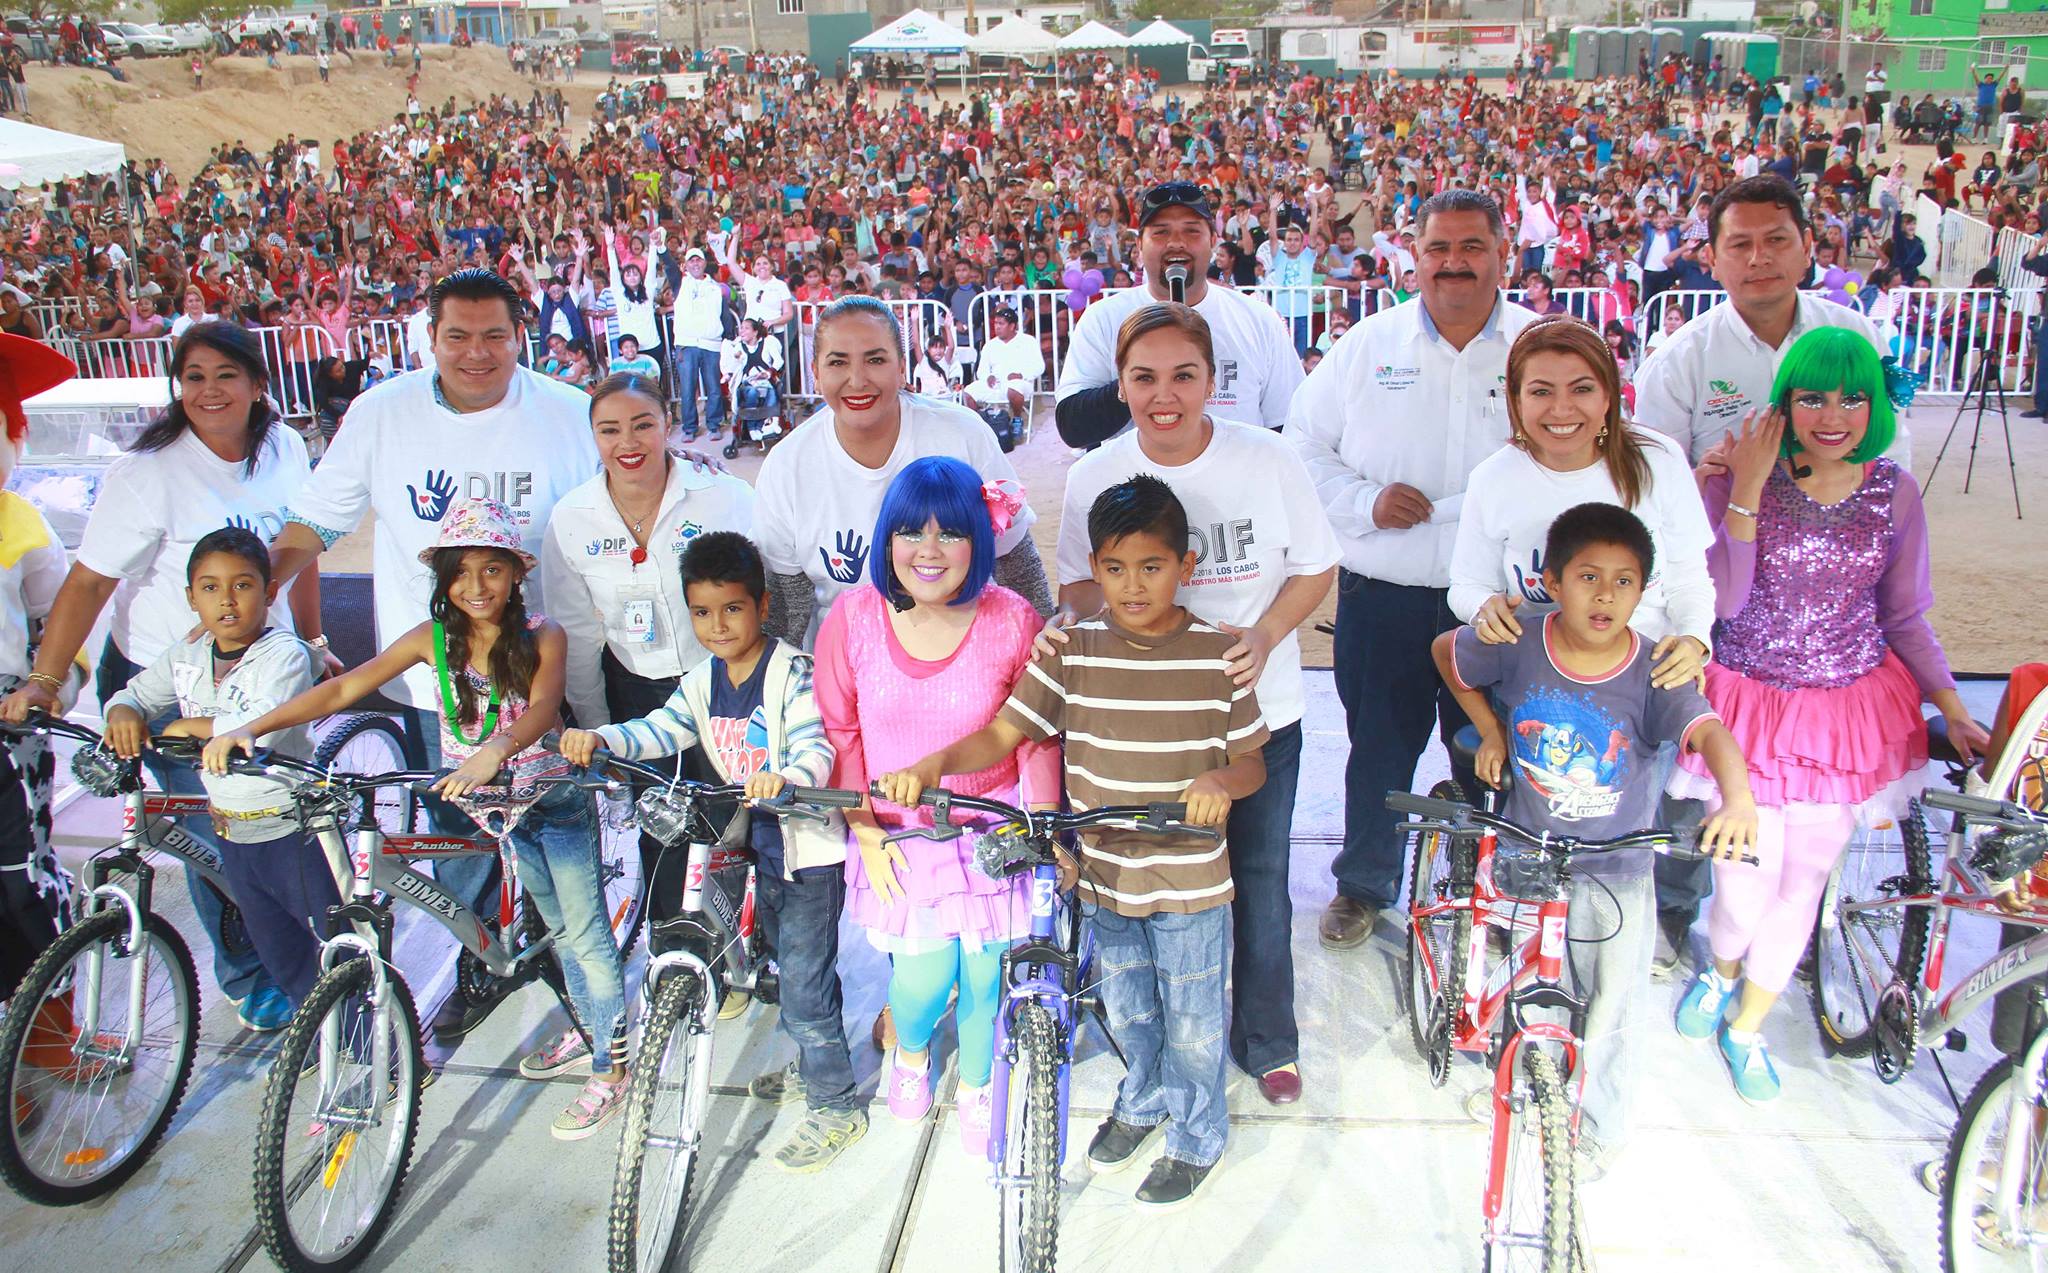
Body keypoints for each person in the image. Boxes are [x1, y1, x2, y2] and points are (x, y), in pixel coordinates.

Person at [878, 475, 1268, 1208]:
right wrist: (935, 765)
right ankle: (1143, 1098)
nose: (1132, 586)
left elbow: (1252, 759)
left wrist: (1222, 779)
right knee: (1129, 1008)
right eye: (1115, 568)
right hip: (1104, 877)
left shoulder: (1218, 655)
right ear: (1094, 568)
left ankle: (1196, 1133)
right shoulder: (1072, 651)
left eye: (1151, 567)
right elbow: (1005, 731)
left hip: (1190, 882)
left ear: (1186, 566)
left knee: (1192, 1022)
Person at [206, 498, 631, 1138]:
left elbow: (545, 708)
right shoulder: (430, 639)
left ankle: (611, 1067)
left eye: (492, 570)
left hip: (550, 800)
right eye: (461, 572)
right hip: (492, 807)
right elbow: (342, 689)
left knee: (584, 933)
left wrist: (495, 751)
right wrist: (252, 727)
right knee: (558, 928)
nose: (476, 586)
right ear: (443, 579)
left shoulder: (542, 634)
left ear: (517, 574)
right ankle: (593, 1028)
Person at [260, 268, 601, 1041]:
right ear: (430, 337)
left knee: (556, 830)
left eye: (494, 336)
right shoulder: (382, 413)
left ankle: (575, 967)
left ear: (520, 336)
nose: (477, 352)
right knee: (459, 835)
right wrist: (256, 593)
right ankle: (481, 963)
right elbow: (315, 524)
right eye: (458, 336)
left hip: (543, 673)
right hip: (440, 686)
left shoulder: (568, 412)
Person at [1667, 328, 1989, 1102]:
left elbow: (1904, 614)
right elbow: (1725, 603)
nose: (1832, 415)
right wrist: (1746, 488)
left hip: (1843, 720)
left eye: (1853, 398)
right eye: (1812, 397)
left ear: (1877, 405)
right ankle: (1721, 970)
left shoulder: (1893, 491)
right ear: (1785, 402)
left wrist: (1952, 704)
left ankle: (1749, 1025)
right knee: (1741, 884)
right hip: (1745, 711)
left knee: (1803, 885)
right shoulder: (1737, 476)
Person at [1044, 303, 1336, 1104]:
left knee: (1260, 878)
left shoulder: (1268, 458)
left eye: (1184, 375)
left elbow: (1317, 566)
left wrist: (1267, 633)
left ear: (1213, 379)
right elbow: (1079, 585)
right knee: (1134, 883)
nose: (1163, 395)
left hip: (1258, 714)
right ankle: (1145, 1035)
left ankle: (1267, 1038)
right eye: (1143, 377)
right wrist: (1069, 622)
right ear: (1121, 384)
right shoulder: (1093, 474)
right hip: (1139, 730)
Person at [1, 324, 327, 1033]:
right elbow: (88, 583)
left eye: (225, 375)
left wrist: (312, 638)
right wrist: (46, 679)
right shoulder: (146, 473)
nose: (209, 391)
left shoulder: (284, 447)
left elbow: (298, 550)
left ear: (258, 384)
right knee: (214, 834)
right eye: (193, 377)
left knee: (267, 821)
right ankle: (250, 976)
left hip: (259, 663)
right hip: (168, 676)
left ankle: (303, 956)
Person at [1435, 502, 1758, 1175]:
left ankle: (1601, 1127)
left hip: (1615, 869)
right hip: (1528, 850)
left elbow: (1710, 732)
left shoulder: (1654, 670)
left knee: (1611, 1005)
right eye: (1588, 577)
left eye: (1624, 581)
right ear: (1552, 582)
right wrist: (1492, 732)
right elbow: (1448, 653)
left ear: (1644, 590)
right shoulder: (1521, 638)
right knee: (1528, 982)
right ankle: (1527, 1082)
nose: (1606, 595)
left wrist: (1739, 798)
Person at [1629, 177, 1891, 955]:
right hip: (1715, 602)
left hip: (1825, 616)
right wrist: (1708, 477)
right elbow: (1647, 482)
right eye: (1739, 243)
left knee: (1815, 786)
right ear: (1712, 257)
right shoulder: (1683, 358)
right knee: (1692, 764)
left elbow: (1891, 471)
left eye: (1776, 239)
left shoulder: (1854, 340)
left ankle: (1792, 929)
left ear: (1810, 247)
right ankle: (1674, 907)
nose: (1758, 258)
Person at [561, 531, 861, 1173]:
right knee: (787, 966)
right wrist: (603, 738)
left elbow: (817, 743)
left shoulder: (792, 672)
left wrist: (788, 777)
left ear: (761, 606)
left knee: (804, 980)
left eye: (731, 609)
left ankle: (836, 1103)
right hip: (756, 845)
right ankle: (814, 1064)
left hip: (806, 851)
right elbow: (662, 729)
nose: (717, 626)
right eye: (702, 612)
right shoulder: (701, 680)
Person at [1287, 189, 1540, 950]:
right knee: (1380, 750)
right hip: (1384, 595)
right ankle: (1365, 885)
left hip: (1501, 607)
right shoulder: (1368, 345)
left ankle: (1495, 887)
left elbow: (1587, 451)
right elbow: (1303, 444)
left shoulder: (1540, 346)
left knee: (1495, 751)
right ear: (1414, 257)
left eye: (1472, 247)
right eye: (1439, 249)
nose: (1454, 263)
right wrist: (1366, 502)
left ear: (1504, 255)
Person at [813, 456, 1057, 1156]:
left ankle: (979, 1081)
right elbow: (841, 732)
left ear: (979, 538)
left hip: (993, 831)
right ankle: (913, 1052)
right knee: (922, 977)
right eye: (910, 532)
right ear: (886, 539)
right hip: (900, 836)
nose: (929, 550)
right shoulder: (853, 617)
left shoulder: (1014, 619)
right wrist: (864, 828)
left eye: (950, 532)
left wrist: (1043, 832)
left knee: (985, 977)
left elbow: (1035, 737)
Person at [102, 529, 330, 1007]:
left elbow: (259, 726)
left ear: (270, 592)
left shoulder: (284, 655)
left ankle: (366, 1035)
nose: (227, 599)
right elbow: (137, 694)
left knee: (333, 942)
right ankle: (316, 1028)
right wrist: (123, 710)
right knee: (279, 951)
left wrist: (190, 725)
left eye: (242, 585)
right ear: (191, 598)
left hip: (292, 827)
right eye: (210, 588)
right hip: (231, 827)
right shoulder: (187, 654)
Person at [754, 297, 1049, 652]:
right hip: (847, 666)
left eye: (876, 360)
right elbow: (787, 606)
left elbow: (1015, 563)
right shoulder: (787, 466)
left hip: (971, 658)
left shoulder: (964, 435)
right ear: (815, 373)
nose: (857, 380)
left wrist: (1044, 649)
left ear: (902, 368)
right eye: (838, 362)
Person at [1055, 182, 1302, 447]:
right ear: (1139, 245)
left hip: (1236, 473)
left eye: (1191, 231)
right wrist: (1142, 379)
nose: (1176, 243)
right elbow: (1073, 428)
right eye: (1161, 232)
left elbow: (1290, 424)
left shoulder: (1258, 320)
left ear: (1213, 241)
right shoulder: (1103, 318)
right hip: (1134, 474)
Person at [0, 336, 80, 1080]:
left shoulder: (20, 521)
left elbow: (59, 619)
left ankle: (49, 1033)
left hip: (7, 729)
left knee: (20, 876)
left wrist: (47, 684)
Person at [963, 305, 1042, 452]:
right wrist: (988, 377)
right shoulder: (990, 345)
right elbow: (982, 370)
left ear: (1012, 326)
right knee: (968, 392)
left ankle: (1017, 420)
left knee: (1013, 388)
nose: (997, 327)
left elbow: (1039, 366)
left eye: (1001, 324)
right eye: (995, 323)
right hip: (996, 384)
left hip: (1020, 383)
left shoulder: (1028, 341)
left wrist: (1021, 374)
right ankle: (982, 425)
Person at [671, 247, 728, 442]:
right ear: (686, 265)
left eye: (698, 260)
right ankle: (689, 428)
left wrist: (727, 340)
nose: (695, 264)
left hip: (711, 344)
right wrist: (660, 248)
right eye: (691, 261)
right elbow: (669, 266)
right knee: (688, 388)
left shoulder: (716, 288)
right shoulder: (680, 283)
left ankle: (714, 424)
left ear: (704, 263)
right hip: (686, 344)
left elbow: (724, 316)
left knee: (714, 387)